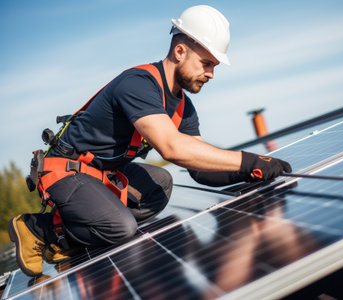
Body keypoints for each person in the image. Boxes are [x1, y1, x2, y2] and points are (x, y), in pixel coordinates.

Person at [8, 5, 291, 277]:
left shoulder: (183, 107)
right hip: (67, 170)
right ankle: (39, 228)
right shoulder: (139, 84)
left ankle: (69, 240)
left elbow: (201, 167)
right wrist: (248, 159)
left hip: (101, 175)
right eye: (206, 64)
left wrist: (252, 172)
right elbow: (173, 148)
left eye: (215, 66)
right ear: (180, 51)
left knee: (161, 184)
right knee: (121, 227)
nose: (211, 74)